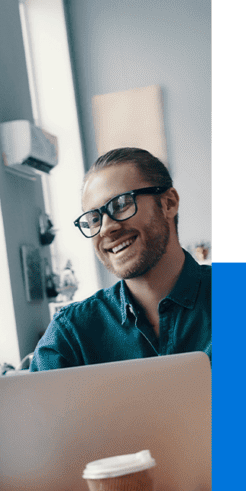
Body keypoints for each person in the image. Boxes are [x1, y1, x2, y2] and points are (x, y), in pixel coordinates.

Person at [30, 148, 211, 370]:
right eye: (94, 219)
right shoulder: (71, 335)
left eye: (121, 204)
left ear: (168, 203)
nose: (106, 229)